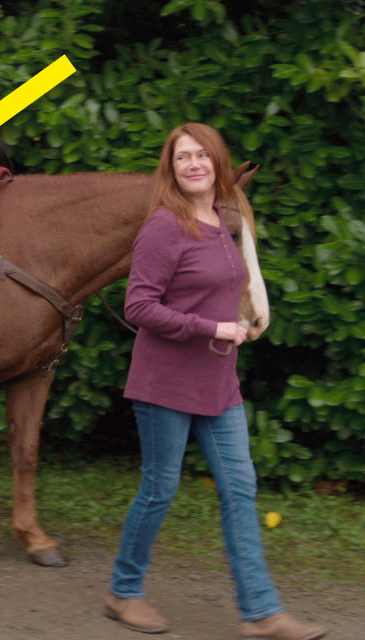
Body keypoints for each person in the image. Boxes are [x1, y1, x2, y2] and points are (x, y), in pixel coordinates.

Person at [104, 123, 327, 640]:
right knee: (160, 488)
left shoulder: (225, 221)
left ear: (219, 163)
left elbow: (233, 285)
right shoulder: (164, 226)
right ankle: (123, 591)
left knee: (240, 488)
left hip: (218, 383)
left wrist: (242, 323)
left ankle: (261, 613)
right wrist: (213, 327)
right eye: (183, 157)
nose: (194, 164)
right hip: (165, 383)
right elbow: (138, 306)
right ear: (172, 169)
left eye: (203, 155)